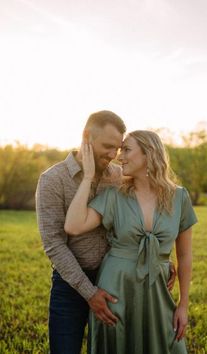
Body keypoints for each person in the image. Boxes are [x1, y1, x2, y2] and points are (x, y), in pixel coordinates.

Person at [36, 111, 177, 354]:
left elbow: (145, 215)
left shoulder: (119, 176)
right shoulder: (52, 180)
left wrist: (159, 257)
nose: (114, 155)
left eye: (119, 148)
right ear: (87, 137)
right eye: (108, 147)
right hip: (70, 286)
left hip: (115, 283)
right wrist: (89, 293)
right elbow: (54, 245)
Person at [65, 130, 197, 354]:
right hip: (116, 288)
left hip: (158, 291)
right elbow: (73, 226)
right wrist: (87, 177)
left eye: (126, 149)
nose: (119, 156)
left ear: (148, 153)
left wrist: (183, 305)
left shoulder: (180, 197)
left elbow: (184, 256)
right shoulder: (114, 196)